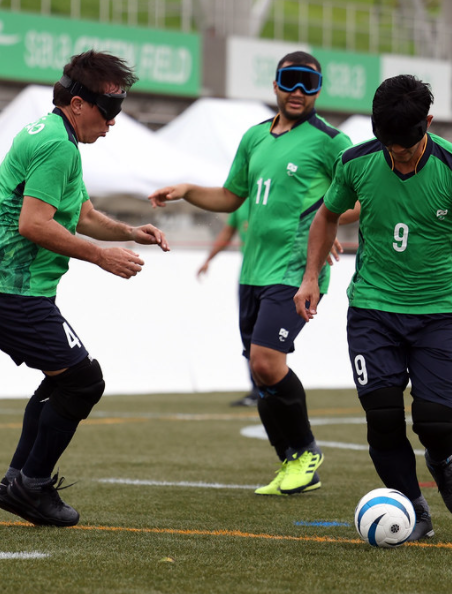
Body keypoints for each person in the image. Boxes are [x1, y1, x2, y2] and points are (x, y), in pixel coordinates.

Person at [294, 74, 452, 541]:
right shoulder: (357, 163)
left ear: (428, 123)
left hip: (436, 315)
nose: (398, 156)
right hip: (372, 310)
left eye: (407, 148)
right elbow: (326, 215)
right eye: (389, 147)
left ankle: (442, 458)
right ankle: (414, 509)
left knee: (433, 422)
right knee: (383, 417)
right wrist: (311, 276)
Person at [0, 50, 169, 527]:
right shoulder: (57, 145)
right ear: (78, 103)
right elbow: (35, 224)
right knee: (83, 381)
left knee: (67, 379)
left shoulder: (54, 135)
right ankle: (29, 485)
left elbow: (85, 215)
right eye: (107, 109)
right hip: (8, 291)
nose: (113, 122)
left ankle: (21, 480)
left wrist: (129, 233)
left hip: (4, 290)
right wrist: (101, 256)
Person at [149, 51, 353, 496]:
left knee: (266, 361)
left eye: (308, 83)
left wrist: (329, 220)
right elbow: (229, 196)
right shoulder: (254, 138)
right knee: (259, 373)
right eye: (290, 80)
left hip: (299, 272)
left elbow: (363, 197)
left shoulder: (332, 142)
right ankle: (293, 465)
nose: (298, 91)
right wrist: (186, 190)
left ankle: (307, 450)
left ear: (319, 89)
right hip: (254, 272)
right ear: (276, 84)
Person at [197, 203, 259, 407]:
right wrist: (209, 259)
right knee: (249, 335)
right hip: (247, 278)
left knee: (269, 336)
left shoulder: (278, 191)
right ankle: (257, 389)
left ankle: (272, 388)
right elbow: (227, 233)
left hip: (279, 277)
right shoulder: (240, 204)